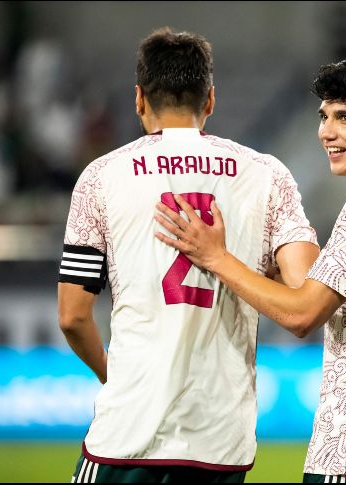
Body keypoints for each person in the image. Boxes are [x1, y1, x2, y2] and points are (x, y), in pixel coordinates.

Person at [155, 58, 346, 483]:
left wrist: (216, 256)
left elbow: (301, 314)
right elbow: (335, 289)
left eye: (345, 118)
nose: (327, 132)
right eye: (324, 117)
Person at [57, 27, 319, 483]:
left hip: (128, 432)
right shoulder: (266, 175)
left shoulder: (101, 177)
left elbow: (72, 316)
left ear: (139, 99)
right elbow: (304, 294)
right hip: (221, 440)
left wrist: (112, 374)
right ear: (210, 100)